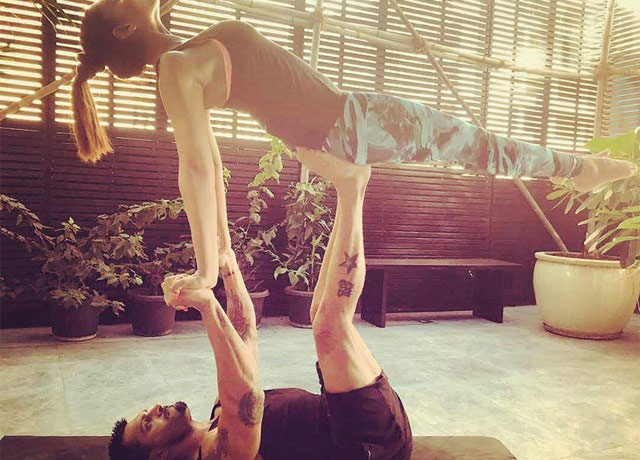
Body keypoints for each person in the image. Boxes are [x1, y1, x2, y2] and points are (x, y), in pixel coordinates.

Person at [71, 0, 638, 297]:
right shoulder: (175, 68)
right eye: (117, 1)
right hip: (348, 124)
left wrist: (220, 251)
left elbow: (211, 163)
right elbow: (199, 166)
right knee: (477, 145)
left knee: (473, 147)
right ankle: (577, 169)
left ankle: (576, 169)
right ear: (124, 30)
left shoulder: (187, 49)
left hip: (340, 128)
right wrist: (207, 266)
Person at [109, 154, 412, 460]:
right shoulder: (217, 455)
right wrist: (207, 305)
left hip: (347, 415)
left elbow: (244, 337)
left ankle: (350, 187)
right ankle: (352, 183)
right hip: (369, 446)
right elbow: (248, 396)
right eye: (148, 423)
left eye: (146, 413)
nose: (155, 409)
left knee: (319, 313)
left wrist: (227, 263)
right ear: (159, 456)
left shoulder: (219, 415)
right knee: (328, 327)